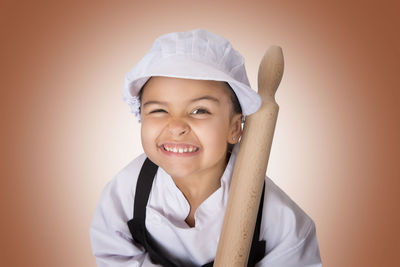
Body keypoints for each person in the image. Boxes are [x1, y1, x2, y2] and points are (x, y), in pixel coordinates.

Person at [90, 29, 322, 267]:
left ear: (235, 128)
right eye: (159, 110)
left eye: (199, 110)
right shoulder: (125, 192)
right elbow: (113, 253)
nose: (177, 126)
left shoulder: (278, 220)